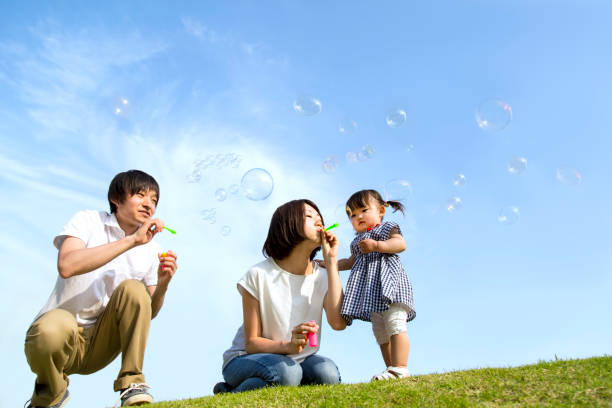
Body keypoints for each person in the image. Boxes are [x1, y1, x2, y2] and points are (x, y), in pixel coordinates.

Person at [23, 170, 178, 408]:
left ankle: (132, 383)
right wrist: (132, 240)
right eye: (140, 195)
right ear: (116, 199)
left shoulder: (152, 248)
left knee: (135, 290)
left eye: (154, 200)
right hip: (59, 338)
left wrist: (164, 282)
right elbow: (66, 265)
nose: (149, 205)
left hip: (102, 344)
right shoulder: (88, 220)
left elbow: (148, 311)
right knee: (51, 329)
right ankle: (50, 394)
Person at [214, 199, 346, 394]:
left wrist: (332, 261)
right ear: (288, 225)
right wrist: (289, 346)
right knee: (286, 374)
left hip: (297, 359)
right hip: (245, 358)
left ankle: (285, 385)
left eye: (319, 218)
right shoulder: (258, 274)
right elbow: (251, 343)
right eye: (309, 216)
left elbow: (338, 323)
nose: (318, 221)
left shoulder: (323, 276)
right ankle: (228, 394)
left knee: (327, 374)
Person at [336, 189, 415, 380]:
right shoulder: (357, 241)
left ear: (380, 211)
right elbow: (350, 262)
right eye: (353, 215)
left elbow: (400, 244)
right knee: (381, 333)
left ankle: (401, 367)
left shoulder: (387, 228)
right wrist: (329, 264)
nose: (358, 216)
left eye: (363, 210)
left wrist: (378, 246)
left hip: (391, 288)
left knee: (395, 324)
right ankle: (391, 370)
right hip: (371, 293)